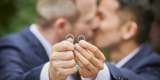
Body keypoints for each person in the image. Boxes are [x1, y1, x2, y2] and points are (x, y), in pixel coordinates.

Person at [73, 0, 160, 80]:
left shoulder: (154, 66)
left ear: (128, 30)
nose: (94, 24)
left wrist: (100, 72)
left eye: (101, 16)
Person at [0, 0, 80, 80]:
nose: (92, 26)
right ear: (61, 26)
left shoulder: (71, 52)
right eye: (87, 22)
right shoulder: (12, 46)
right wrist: (49, 74)